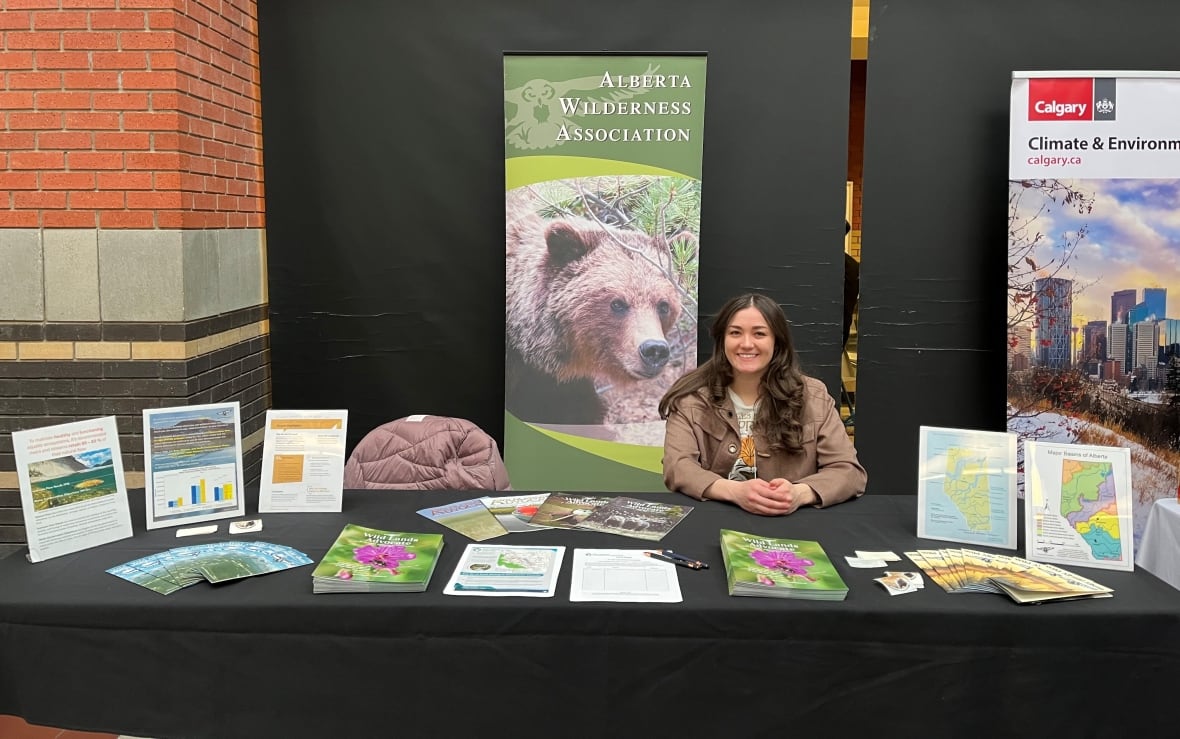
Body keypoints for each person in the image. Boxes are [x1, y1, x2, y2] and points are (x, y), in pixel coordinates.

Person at [659, 293, 866, 515]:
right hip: (713, 522)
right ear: (722, 340)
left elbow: (848, 471)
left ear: (777, 341)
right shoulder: (691, 398)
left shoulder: (814, 396)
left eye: (759, 333)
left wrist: (799, 494)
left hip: (791, 527)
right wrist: (734, 491)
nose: (746, 344)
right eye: (735, 333)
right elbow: (677, 466)